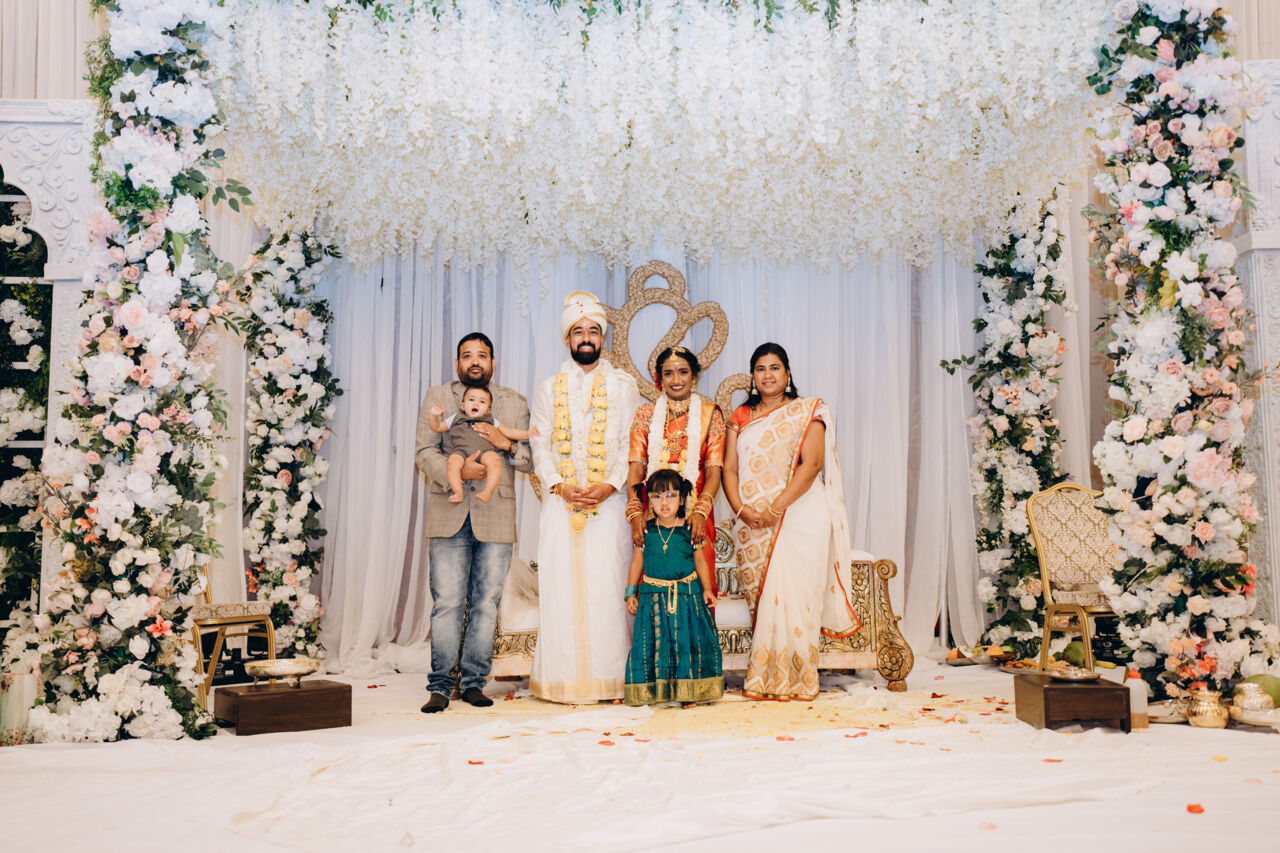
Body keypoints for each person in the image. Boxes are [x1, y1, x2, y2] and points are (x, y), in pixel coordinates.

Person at [721, 342, 861, 701]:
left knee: (798, 598)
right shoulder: (740, 416)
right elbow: (729, 468)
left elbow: (812, 465)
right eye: (760, 369)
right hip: (750, 523)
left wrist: (776, 508)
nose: (767, 375)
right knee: (762, 599)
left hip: (799, 518)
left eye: (775, 368)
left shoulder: (808, 411)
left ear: (787, 373)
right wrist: (740, 509)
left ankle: (798, 679)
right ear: (753, 376)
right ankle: (765, 678)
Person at [529, 291, 641, 703]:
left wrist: (610, 485)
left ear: (603, 337)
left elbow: (632, 445)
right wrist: (559, 485)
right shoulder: (548, 388)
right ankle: (563, 682)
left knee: (607, 588)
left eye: (594, 330)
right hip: (561, 505)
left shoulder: (624, 387)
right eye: (579, 331)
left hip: (609, 504)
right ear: (567, 339)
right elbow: (539, 444)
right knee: (562, 587)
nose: (587, 337)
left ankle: (611, 680)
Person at [415, 333, 533, 713]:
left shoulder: (513, 402)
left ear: (493, 363)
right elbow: (424, 451)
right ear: (457, 364)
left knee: (486, 603)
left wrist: (504, 442)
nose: (475, 362)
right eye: (467, 356)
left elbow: (529, 460)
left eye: (482, 355)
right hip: (447, 510)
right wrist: (459, 471)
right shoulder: (438, 398)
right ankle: (440, 685)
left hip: (495, 513)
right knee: (447, 602)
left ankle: (473, 683)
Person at [626, 346, 725, 596]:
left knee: (700, 585)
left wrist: (700, 511)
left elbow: (714, 472)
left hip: (696, 514)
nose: (676, 380)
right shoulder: (645, 414)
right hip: (653, 513)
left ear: (694, 376)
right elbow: (636, 468)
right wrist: (635, 513)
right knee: (651, 581)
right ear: (659, 379)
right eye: (668, 373)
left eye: (683, 372)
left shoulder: (710, 415)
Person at [623, 469, 723, 707]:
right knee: (656, 644)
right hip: (652, 600)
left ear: (681, 499)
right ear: (649, 501)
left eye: (670, 495)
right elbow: (637, 562)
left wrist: (707, 589)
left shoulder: (690, 529)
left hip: (687, 598)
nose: (664, 503)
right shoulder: (645, 530)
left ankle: (688, 692)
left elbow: (700, 561)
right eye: (656, 497)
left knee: (685, 644)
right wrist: (630, 593)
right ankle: (654, 692)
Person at [427, 385, 537, 504]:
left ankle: (488, 491)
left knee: (495, 460)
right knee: (452, 463)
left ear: (488, 410)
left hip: (485, 451)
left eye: (482, 402)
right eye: (471, 399)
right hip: (460, 452)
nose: (476, 404)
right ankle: (458, 492)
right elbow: (437, 427)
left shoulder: (491, 420)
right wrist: (433, 416)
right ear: (463, 405)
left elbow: (509, 432)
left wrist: (528, 434)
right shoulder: (455, 418)